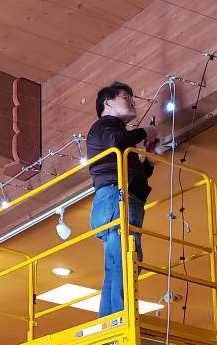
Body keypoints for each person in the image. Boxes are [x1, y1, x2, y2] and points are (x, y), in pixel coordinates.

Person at [87, 81, 158, 317]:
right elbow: (116, 141)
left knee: (117, 264)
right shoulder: (105, 126)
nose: (132, 102)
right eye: (126, 97)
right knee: (125, 261)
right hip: (116, 198)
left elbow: (137, 174)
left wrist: (149, 158)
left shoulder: (116, 136)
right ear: (107, 103)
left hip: (116, 199)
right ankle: (120, 318)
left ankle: (111, 319)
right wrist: (144, 132)